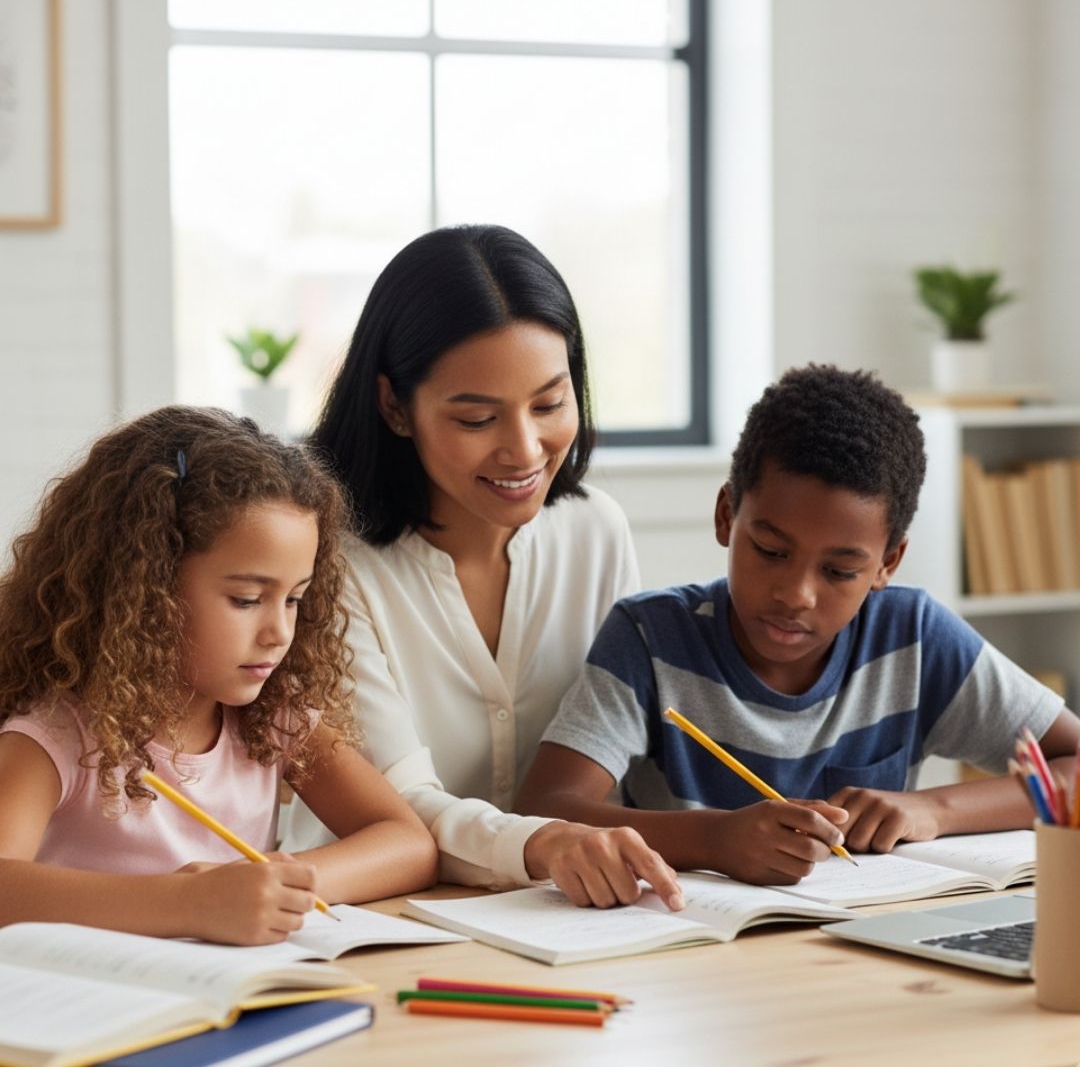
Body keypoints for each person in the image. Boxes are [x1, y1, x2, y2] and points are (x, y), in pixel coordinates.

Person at [515, 364, 1080, 885]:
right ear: (726, 516)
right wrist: (714, 839)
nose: (796, 595)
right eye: (769, 550)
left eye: (839, 570)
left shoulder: (913, 637)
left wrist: (934, 808)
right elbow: (543, 806)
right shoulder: (650, 638)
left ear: (887, 563)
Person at [282, 224, 683, 911]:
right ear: (394, 407)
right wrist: (547, 842)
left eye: (550, 404)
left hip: (573, 918)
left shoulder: (595, 532)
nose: (525, 450)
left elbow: (626, 750)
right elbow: (399, 806)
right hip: (369, 920)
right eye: (477, 420)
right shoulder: (325, 560)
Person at [0, 406, 438, 945]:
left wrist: (276, 888)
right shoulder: (59, 735)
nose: (279, 631)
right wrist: (187, 903)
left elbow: (407, 842)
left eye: (295, 599)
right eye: (247, 599)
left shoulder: (273, 719)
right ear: (145, 590)